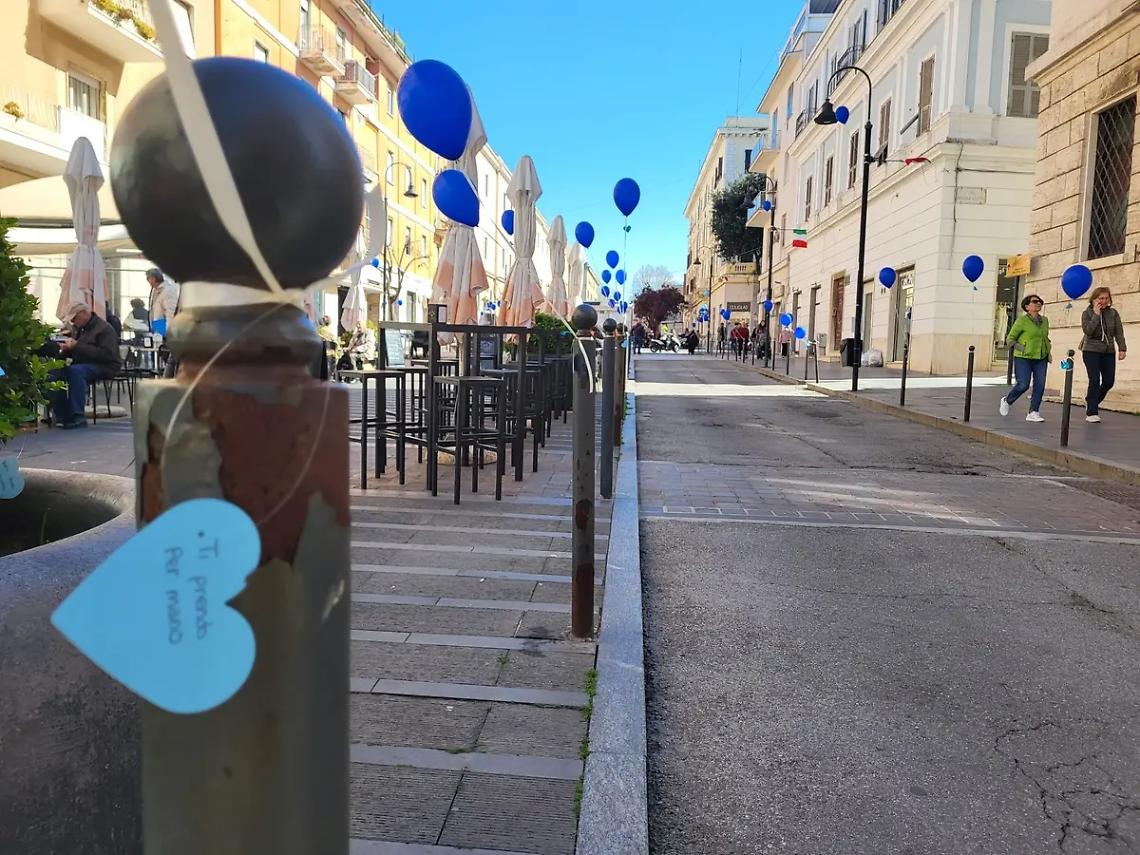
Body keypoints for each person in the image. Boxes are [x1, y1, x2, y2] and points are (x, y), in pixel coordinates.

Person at [47, 302, 122, 429]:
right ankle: (62, 414)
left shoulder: (105, 329)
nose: (73, 322)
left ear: (83, 314)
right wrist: (65, 350)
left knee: (76, 372)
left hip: (105, 366)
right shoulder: (81, 328)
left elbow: (107, 355)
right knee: (54, 372)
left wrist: (77, 346)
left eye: (74, 318)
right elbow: (81, 350)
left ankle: (77, 415)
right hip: (85, 363)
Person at [1000, 294, 1051, 423]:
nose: (1038, 303)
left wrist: (1047, 350)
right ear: (1027, 306)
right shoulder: (1022, 321)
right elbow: (1010, 340)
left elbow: (1044, 337)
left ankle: (1033, 412)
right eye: (1035, 302)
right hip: (1023, 357)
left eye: (1040, 301)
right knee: (1023, 384)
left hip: (1041, 357)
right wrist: (1024, 349)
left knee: (1040, 385)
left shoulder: (1044, 320)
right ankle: (1007, 400)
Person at [1080, 286, 1128, 423]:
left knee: (1108, 381)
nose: (1104, 301)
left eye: (1106, 298)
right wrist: (1096, 314)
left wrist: (1122, 348)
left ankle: (1091, 401)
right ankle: (1092, 412)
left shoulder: (1113, 313)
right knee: (1094, 380)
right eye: (1101, 298)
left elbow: (1119, 332)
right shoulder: (1087, 313)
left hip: (1108, 351)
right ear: (1094, 299)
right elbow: (1088, 331)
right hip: (1091, 350)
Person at [147, 268, 179, 335]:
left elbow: (171, 312)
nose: (148, 282)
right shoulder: (156, 290)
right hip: (158, 325)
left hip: (163, 326)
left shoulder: (168, 291)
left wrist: (168, 333)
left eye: (148, 279)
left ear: (153, 278)